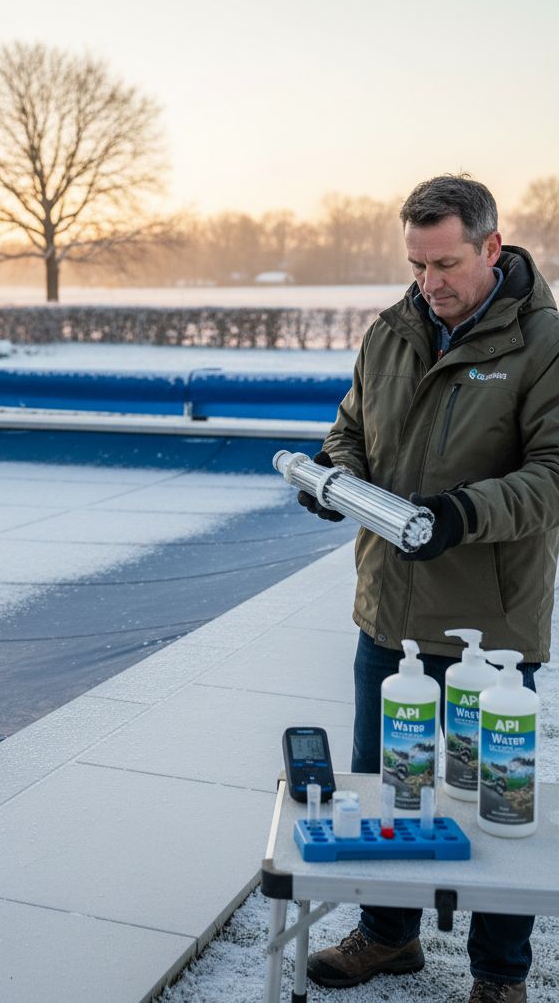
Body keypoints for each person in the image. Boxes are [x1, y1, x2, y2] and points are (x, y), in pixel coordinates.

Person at [299, 174, 559, 1003]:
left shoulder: (544, 343)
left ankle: (499, 974)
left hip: (493, 623)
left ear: (491, 247)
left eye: (445, 263)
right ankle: (387, 937)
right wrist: (335, 480)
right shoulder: (392, 331)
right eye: (416, 265)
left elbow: (554, 476)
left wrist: (458, 514)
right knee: (390, 787)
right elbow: (350, 428)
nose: (429, 283)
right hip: (389, 613)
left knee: (495, 802)